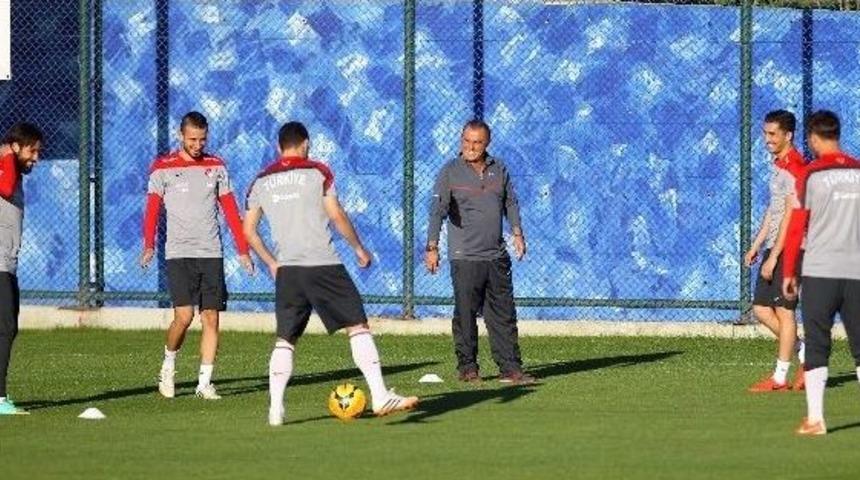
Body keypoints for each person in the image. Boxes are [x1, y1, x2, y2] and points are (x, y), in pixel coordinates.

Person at [243, 121, 418, 426]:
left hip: (288, 270)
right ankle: (379, 395)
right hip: (322, 264)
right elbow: (335, 214)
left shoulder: (261, 180)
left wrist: (272, 263)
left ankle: (275, 410)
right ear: (306, 144)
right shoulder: (318, 172)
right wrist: (359, 249)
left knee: (285, 339)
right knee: (357, 326)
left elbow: (249, 231)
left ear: (278, 147)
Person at [140, 111, 253, 400]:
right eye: (192, 139)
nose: (198, 144)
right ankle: (168, 364)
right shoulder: (162, 168)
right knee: (184, 316)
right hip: (179, 254)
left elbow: (229, 209)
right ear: (181, 136)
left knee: (211, 318)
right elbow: (152, 208)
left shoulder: (216, 166)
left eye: (202, 139)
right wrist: (149, 244)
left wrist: (242, 249)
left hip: (211, 253)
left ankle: (204, 384)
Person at [424, 119, 533, 385]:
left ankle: (510, 368)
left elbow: (510, 201)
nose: (470, 147)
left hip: (496, 256)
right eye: (466, 141)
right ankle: (468, 367)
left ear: (487, 144)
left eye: (477, 142)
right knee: (465, 314)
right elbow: (437, 211)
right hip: (465, 257)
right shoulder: (450, 171)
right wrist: (432, 247)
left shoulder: (499, 169)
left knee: (503, 314)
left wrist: (517, 233)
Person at [783, 110, 860, 436]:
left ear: (814, 138)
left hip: (819, 272)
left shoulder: (812, 175)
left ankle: (815, 420)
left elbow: (798, 224)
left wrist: (789, 271)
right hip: (857, 272)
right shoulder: (859, 171)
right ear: (838, 134)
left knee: (817, 343)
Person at [744, 110, 806, 392]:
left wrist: (774, 255)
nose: (766, 139)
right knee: (760, 308)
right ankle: (808, 358)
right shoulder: (778, 163)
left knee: (784, 311)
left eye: (772, 134)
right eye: (765, 133)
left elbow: (791, 216)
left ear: (788, 135)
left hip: (792, 246)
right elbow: (774, 208)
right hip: (774, 245)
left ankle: (780, 378)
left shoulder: (794, 166)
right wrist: (757, 245)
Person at [0, 122, 42, 415]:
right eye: (32, 151)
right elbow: (4, 187)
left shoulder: (12, 169)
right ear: (16, 147)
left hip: (7, 265)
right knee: (5, 328)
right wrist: (6, 155)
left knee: (8, 329)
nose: (36, 158)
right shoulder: (6, 168)